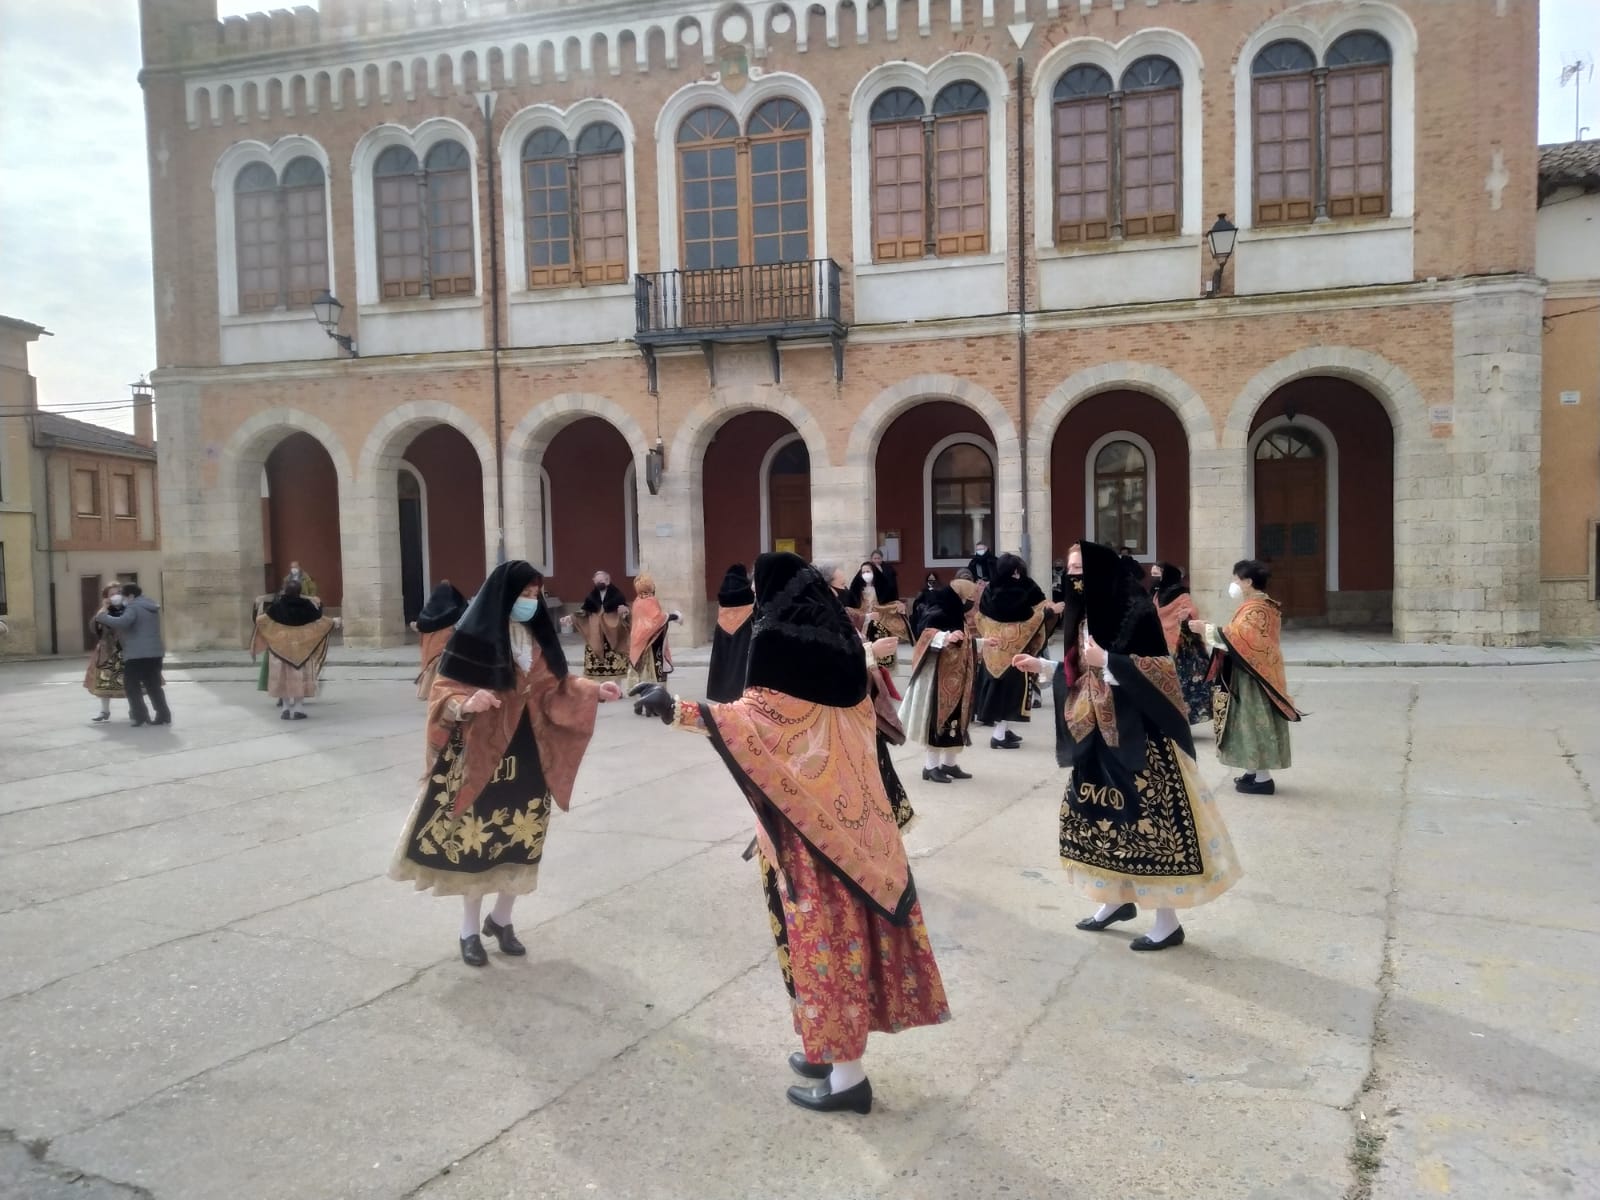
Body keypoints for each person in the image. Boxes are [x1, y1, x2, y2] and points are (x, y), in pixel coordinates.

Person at [631, 553, 949, 1115]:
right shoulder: (844, 641)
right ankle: (826, 1049)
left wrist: (676, 708)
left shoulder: (777, 640)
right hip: (859, 823)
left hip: (811, 836)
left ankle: (848, 1081)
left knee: (827, 944)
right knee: (845, 940)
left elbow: (751, 723)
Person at [391, 561, 623, 966]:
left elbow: (556, 689)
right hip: (483, 753)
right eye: (525, 596)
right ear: (504, 597)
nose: (532, 603)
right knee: (477, 842)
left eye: (536, 596)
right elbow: (443, 691)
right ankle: (468, 929)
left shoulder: (538, 641)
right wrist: (466, 703)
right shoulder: (472, 637)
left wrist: (591, 691)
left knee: (522, 837)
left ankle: (502, 920)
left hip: (530, 752)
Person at [1015, 541, 1242, 951]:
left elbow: (1163, 672)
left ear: (1100, 569)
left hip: (1142, 740)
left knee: (1149, 826)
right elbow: (1083, 673)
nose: (1074, 577)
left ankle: (1167, 922)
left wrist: (1112, 662)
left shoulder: (1134, 610)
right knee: (1099, 820)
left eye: (1081, 568)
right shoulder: (1085, 614)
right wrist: (1046, 668)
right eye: (1069, 570)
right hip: (1096, 738)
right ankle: (1115, 901)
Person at [1190, 559, 1302, 795]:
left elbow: (1242, 640)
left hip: (1254, 676)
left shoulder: (1257, 609)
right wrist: (1213, 629)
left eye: (1236, 579)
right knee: (1245, 723)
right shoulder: (1256, 606)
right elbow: (1238, 636)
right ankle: (1252, 772)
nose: (1233, 583)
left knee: (1254, 722)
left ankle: (1263, 779)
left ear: (1248, 582)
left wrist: (1206, 630)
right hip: (1250, 672)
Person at [972, 554, 1057, 748]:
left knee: (995, 691)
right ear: (1017, 571)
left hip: (993, 650)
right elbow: (1033, 617)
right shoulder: (1023, 590)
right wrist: (1049, 613)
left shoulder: (990, 588)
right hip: (1015, 652)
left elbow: (980, 617)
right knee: (1009, 695)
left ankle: (1005, 730)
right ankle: (999, 736)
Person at [898, 584, 980, 784]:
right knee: (938, 720)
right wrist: (944, 637)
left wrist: (985, 643)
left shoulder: (956, 614)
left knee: (955, 721)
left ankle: (949, 764)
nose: (971, 602)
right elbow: (925, 634)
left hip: (958, 678)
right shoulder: (938, 610)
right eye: (969, 597)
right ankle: (930, 766)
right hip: (937, 678)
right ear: (960, 595)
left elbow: (964, 643)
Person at [252, 578, 341, 719]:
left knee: (283, 679)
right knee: (301, 679)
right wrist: (333, 622)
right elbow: (320, 620)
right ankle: (299, 708)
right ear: (300, 591)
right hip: (302, 650)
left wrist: (257, 612)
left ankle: (286, 709)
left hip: (280, 650)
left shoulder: (277, 606)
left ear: (285, 591)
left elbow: (262, 621)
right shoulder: (306, 606)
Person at [93, 582, 169, 727]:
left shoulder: (133, 607)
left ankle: (140, 715)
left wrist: (102, 616)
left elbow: (122, 622)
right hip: (154, 652)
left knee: (131, 686)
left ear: (131, 596)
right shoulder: (150, 604)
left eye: (123, 595)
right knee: (153, 685)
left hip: (137, 654)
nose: (121, 598)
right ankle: (163, 714)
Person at [1153, 563, 1211, 726]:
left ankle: (1181, 719)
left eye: (1160, 572)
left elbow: (1192, 610)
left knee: (1182, 684)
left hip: (1180, 645)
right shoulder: (1157, 594)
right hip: (1160, 640)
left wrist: (1187, 614)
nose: (1156, 574)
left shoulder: (1181, 594)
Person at [624, 571, 680, 700]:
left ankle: (642, 692)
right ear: (649, 586)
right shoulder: (650, 600)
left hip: (639, 639)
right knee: (655, 668)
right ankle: (657, 694)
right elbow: (657, 619)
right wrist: (673, 616)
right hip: (652, 641)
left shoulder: (637, 600)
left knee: (642, 668)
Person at [563, 570, 630, 679]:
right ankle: (597, 689)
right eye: (597, 581)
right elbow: (584, 612)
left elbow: (626, 611)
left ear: (608, 581)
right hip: (596, 635)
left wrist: (625, 611)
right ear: (594, 582)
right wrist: (570, 617)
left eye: (602, 580)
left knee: (614, 665)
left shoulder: (617, 595)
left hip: (612, 635)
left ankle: (616, 689)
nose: (600, 583)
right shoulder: (591, 597)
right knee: (595, 664)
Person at [411, 580, 468, 700]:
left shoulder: (425, 616)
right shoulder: (453, 615)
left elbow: (418, 626)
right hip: (445, 656)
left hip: (430, 656)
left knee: (433, 680)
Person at [706, 563, 755, 703]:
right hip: (744, 630)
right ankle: (737, 694)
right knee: (739, 663)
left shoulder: (723, 592)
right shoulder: (747, 592)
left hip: (723, 628)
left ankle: (721, 694)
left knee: (724, 661)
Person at [845, 560, 908, 665]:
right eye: (863, 572)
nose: (866, 574)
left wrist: (897, 605)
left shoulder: (884, 588)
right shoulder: (855, 590)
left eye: (868, 571)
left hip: (881, 623)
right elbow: (851, 608)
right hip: (864, 625)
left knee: (884, 652)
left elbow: (888, 604)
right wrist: (864, 615)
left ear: (874, 572)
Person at [85, 583, 126, 723]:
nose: (115, 596)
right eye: (112, 594)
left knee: (129, 681)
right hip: (107, 650)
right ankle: (104, 711)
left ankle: (134, 709)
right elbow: (93, 627)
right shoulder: (104, 611)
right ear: (107, 597)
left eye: (118, 593)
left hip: (125, 649)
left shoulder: (127, 608)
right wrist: (104, 608)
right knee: (105, 680)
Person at [908, 571, 941, 638]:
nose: (931, 581)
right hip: (925, 609)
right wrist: (920, 606)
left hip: (936, 608)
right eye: (930, 579)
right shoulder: (923, 591)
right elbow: (917, 602)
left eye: (933, 579)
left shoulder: (939, 590)